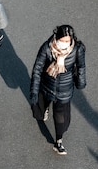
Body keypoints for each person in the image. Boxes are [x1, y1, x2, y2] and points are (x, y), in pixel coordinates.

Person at [29, 25, 86, 155]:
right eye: (62, 40)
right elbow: (37, 69)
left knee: (61, 118)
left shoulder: (77, 49)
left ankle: (58, 141)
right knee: (40, 108)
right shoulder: (47, 47)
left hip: (64, 91)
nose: (65, 44)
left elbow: (81, 67)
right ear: (57, 38)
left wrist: (81, 83)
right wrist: (33, 91)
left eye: (67, 41)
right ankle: (45, 109)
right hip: (47, 85)